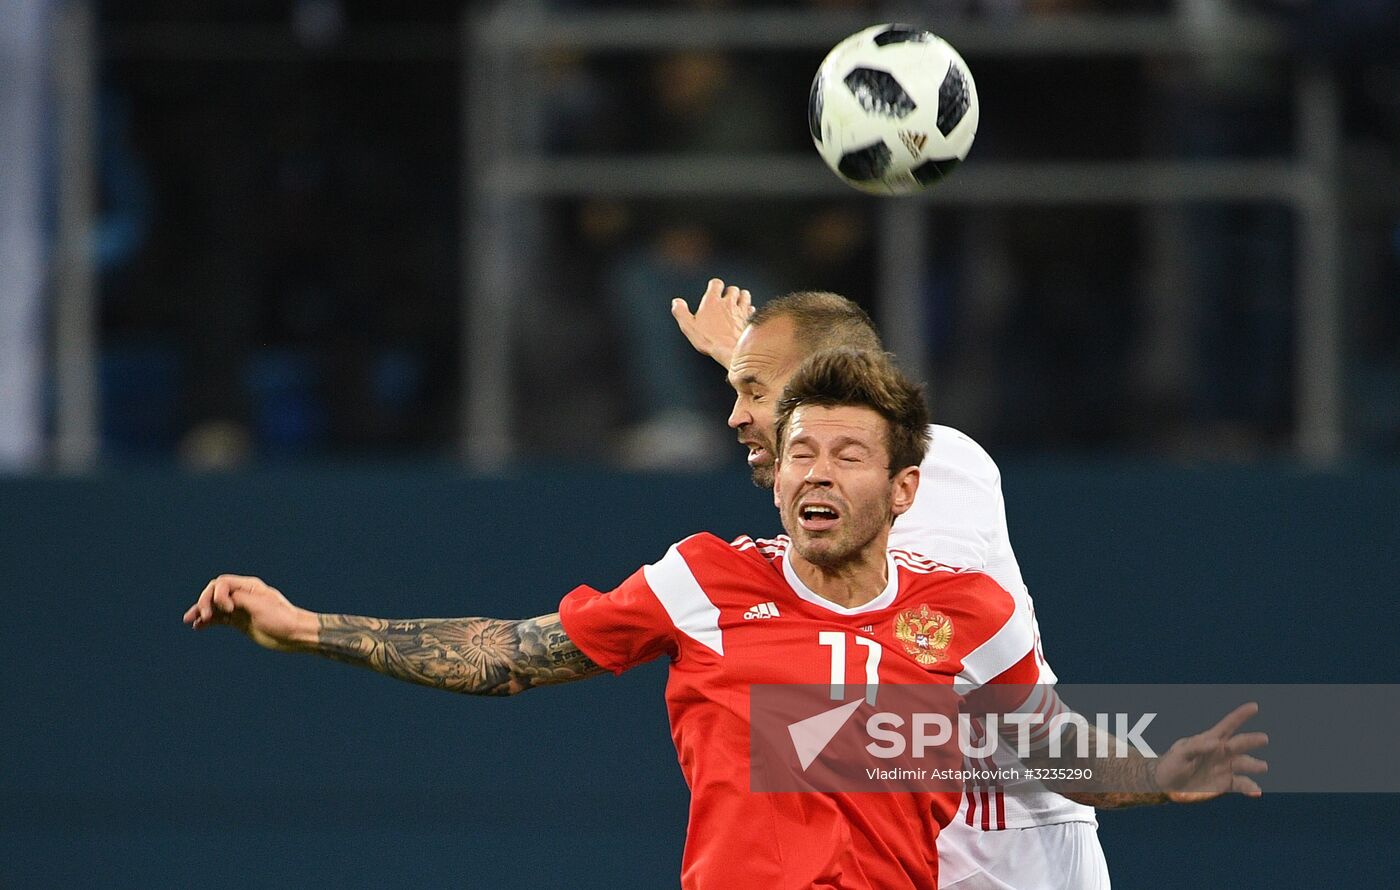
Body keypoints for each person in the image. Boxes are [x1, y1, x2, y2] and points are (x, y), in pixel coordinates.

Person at [185, 349, 1264, 889]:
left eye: (847, 453)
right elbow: (513, 654)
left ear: (900, 488)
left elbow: (1051, 751)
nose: (817, 470)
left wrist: (1158, 771)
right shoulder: (702, 582)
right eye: (800, 450)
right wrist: (311, 625)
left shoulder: (963, 611)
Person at [670, 281, 1252, 888]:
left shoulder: (938, 463)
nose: (736, 415)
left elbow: (904, 668)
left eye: (754, 392)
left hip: (1005, 841)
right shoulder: (842, 475)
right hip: (914, 833)